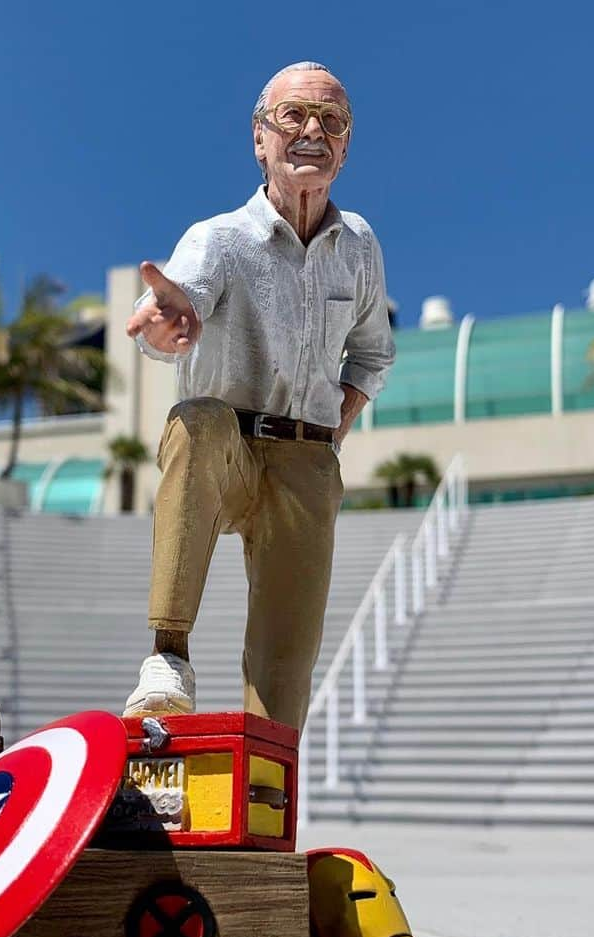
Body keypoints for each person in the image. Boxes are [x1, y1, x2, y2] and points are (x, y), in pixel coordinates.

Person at [123, 61, 395, 733]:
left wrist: (333, 435)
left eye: (331, 122)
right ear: (259, 138)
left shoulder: (358, 246)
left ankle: (270, 817)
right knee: (198, 422)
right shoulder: (219, 239)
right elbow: (169, 312)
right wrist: (168, 325)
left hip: (304, 462)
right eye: (293, 116)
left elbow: (372, 354)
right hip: (229, 450)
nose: (313, 132)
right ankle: (168, 656)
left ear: (347, 146)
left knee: (283, 680)